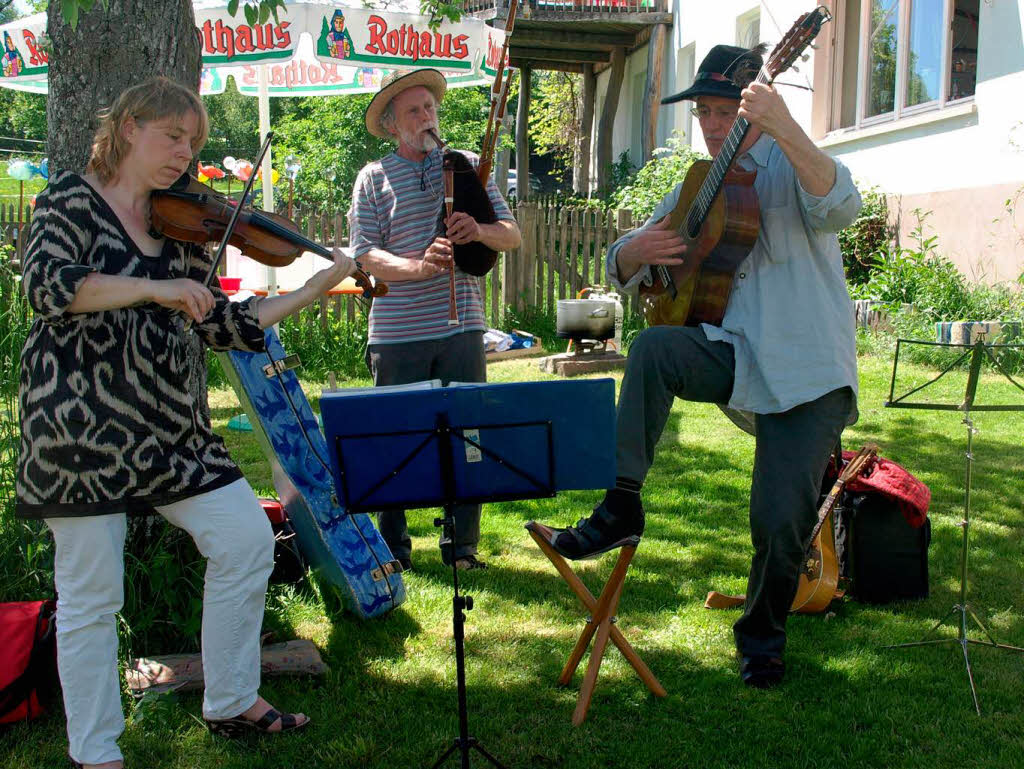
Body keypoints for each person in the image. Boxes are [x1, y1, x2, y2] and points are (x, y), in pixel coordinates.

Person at [16, 77, 360, 769]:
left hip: (173, 430)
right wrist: (154, 286)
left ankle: (231, 700)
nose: (186, 152)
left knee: (244, 539)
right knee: (92, 594)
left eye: (195, 141)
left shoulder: (180, 222)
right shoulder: (69, 201)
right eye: (174, 135)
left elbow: (223, 324)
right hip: (80, 427)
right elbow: (49, 287)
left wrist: (312, 287)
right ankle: (97, 751)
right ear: (129, 126)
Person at [537, 45, 861, 688]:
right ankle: (621, 503)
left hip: (806, 369)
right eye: (704, 112)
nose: (712, 126)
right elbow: (630, 268)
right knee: (656, 348)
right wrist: (631, 252)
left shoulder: (791, 161)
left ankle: (763, 639)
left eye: (723, 112)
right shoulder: (696, 181)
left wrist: (784, 125)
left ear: (751, 108)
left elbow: (842, 207)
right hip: (733, 355)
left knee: (777, 520)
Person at [349, 68, 521, 572]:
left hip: (462, 325)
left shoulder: (466, 166)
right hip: (398, 330)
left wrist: (480, 230)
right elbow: (365, 255)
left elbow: (511, 234)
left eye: (430, 108)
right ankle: (394, 548)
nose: (427, 118)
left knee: (467, 436)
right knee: (395, 436)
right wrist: (418, 268)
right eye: (414, 111)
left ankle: (461, 547)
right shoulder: (373, 177)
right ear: (391, 124)